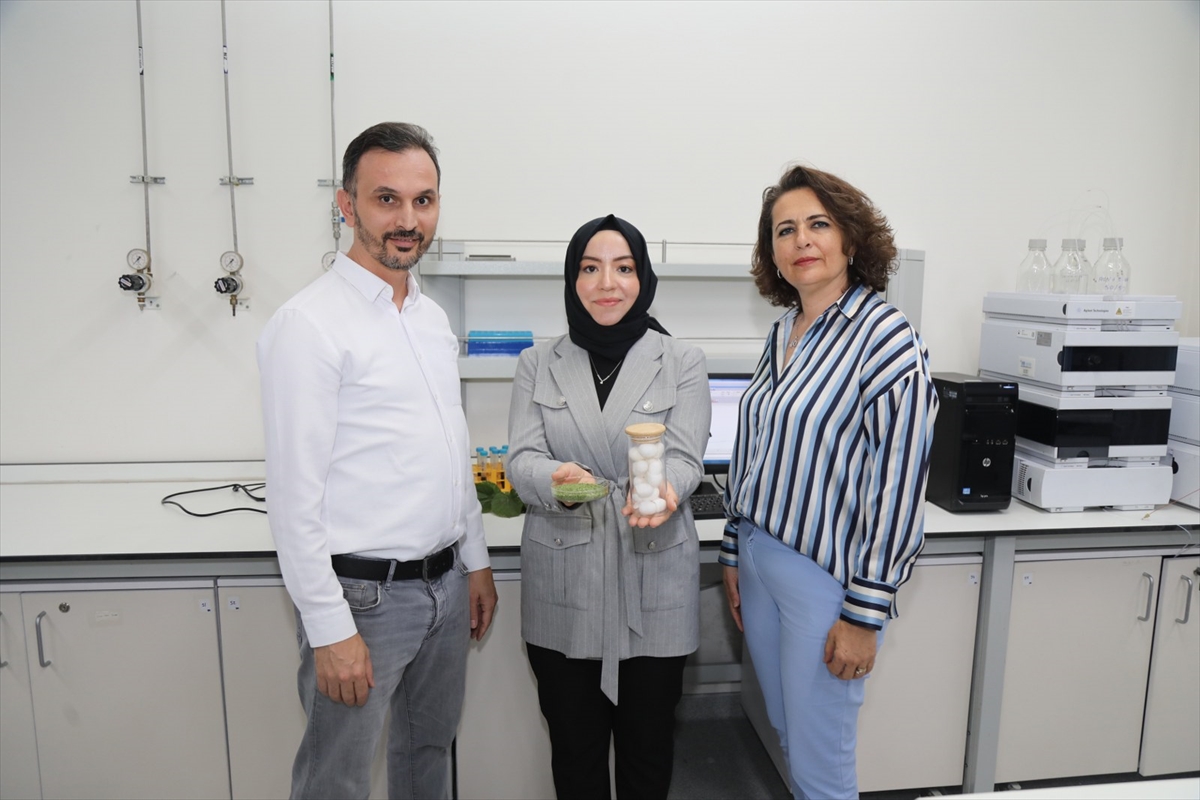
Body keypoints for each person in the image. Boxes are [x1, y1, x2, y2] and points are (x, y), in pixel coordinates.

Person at [257, 121, 498, 800]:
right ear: (346, 205)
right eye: (386, 199)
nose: (407, 220)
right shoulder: (309, 326)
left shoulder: (429, 318)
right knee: (336, 780)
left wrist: (476, 562)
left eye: (424, 201)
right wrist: (329, 628)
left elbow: (449, 451)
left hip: (445, 586)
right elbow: (293, 500)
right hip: (363, 600)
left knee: (427, 756)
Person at [719, 166, 938, 800]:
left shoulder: (886, 338)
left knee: (822, 765)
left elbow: (899, 487)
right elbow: (756, 449)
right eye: (784, 230)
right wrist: (733, 549)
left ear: (849, 237)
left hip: (822, 578)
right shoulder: (782, 333)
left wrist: (864, 615)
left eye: (818, 224)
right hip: (758, 560)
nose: (801, 241)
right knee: (791, 737)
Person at [506, 215, 710, 800]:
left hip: (653, 571)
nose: (607, 283)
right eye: (590, 268)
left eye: (623, 268)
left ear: (643, 279)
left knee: (648, 751)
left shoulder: (681, 360)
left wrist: (666, 489)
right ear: (572, 280)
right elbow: (522, 460)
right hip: (563, 574)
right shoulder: (538, 361)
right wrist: (555, 479)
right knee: (575, 753)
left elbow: (686, 457)